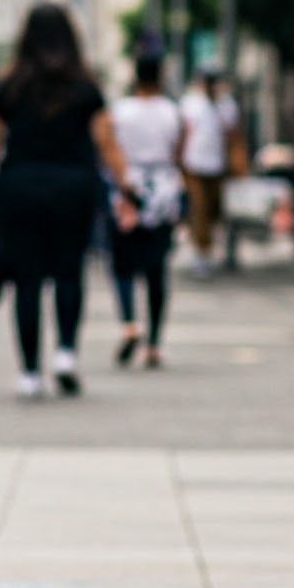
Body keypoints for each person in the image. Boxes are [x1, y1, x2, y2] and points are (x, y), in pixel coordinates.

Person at [0, 5, 134, 398]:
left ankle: (29, 372)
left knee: (26, 279)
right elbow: (106, 141)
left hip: (20, 187)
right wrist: (125, 187)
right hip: (74, 187)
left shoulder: (9, 86)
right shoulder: (85, 87)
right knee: (68, 271)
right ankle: (65, 354)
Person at [106, 54, 182, 370]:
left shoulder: (120, 111)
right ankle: (153, 344)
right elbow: (180, 152)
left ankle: (129, 323)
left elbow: (107, 148)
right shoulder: (171, 112)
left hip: (128, 186)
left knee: (122, 265)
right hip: (163, 188)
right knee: (156, 269)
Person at [178, 68, 237, 278]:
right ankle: (201, 254)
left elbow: (232, 135)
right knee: (199, 210)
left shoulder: (226, 105)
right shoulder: (191, 104)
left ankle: (208, 249)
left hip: (217, 166)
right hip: (195, 164)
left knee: (214, 212)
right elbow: (184, 132)